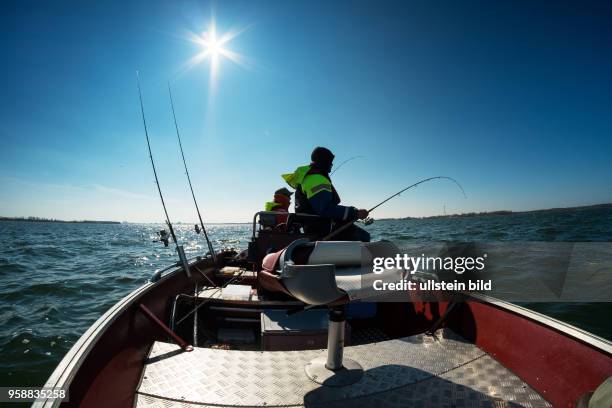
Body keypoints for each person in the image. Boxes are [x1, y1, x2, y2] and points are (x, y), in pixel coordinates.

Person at [282, 146, 370, 242]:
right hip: (321, 229)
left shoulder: (308, 178)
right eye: (330, 162)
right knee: (364, 237)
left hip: (311, 227)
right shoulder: (316, 179)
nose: (331, 165)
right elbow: (325, 209)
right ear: (324, 162)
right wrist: (355, 213)